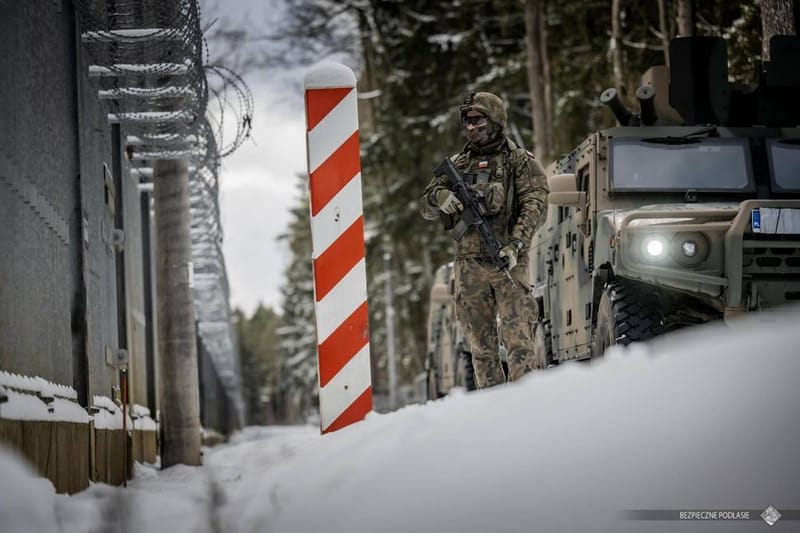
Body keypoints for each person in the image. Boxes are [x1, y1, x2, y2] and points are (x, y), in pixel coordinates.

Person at [420, 91, 549, 388]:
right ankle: (492, 404)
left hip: (507, 261)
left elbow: (535, 205)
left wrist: (516, 245)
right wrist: (440, 197)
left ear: (495, 120)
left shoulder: (519, 161)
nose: (471, 127)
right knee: (480, 348)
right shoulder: (457, 164)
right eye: (467, 121)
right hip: (469, 267)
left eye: (478, 120)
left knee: (520, 342)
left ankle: (527, 403)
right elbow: (425, 207)